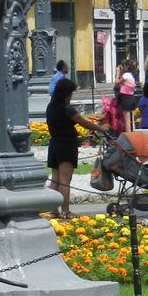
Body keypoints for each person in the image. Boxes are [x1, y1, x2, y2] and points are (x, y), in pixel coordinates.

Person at [45, 78, 101, 219]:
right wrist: (101, 128)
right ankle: (66, 211)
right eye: (70, 93)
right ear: (66, 93)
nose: (71, 96)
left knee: (55, 180)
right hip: (66, 145)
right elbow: (84, 123)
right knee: (65, 180)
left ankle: (54, 211)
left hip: (54, 144)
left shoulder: (50, 107)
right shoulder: (67, 109)